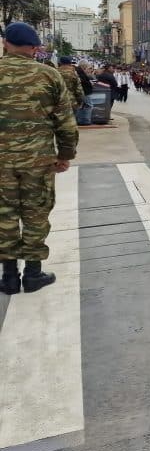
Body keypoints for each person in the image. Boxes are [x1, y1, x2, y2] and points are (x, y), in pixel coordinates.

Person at [0, 22, 79, 295]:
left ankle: (8, 277)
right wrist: (65, 155)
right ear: (34, 48)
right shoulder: (50, 75)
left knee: (4, 215)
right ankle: (33, 275)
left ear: (5, 43)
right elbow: (66, 123)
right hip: (38, 161)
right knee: (35, 214)